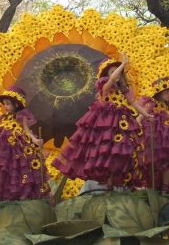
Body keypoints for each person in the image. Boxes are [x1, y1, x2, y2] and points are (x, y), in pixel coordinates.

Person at [52, 54, 152, 189]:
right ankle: (104, 180)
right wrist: (122, 65)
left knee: (118, 151)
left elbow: (133, 103)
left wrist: (146, 114)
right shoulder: (105, 86)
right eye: (112, 71)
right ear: (106, 74)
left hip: (122, 123)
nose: (116, 75)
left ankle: (111, 181)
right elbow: (111, 80)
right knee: (104, 149)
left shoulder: (124, 91)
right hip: (105, 123)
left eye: (118, 72)